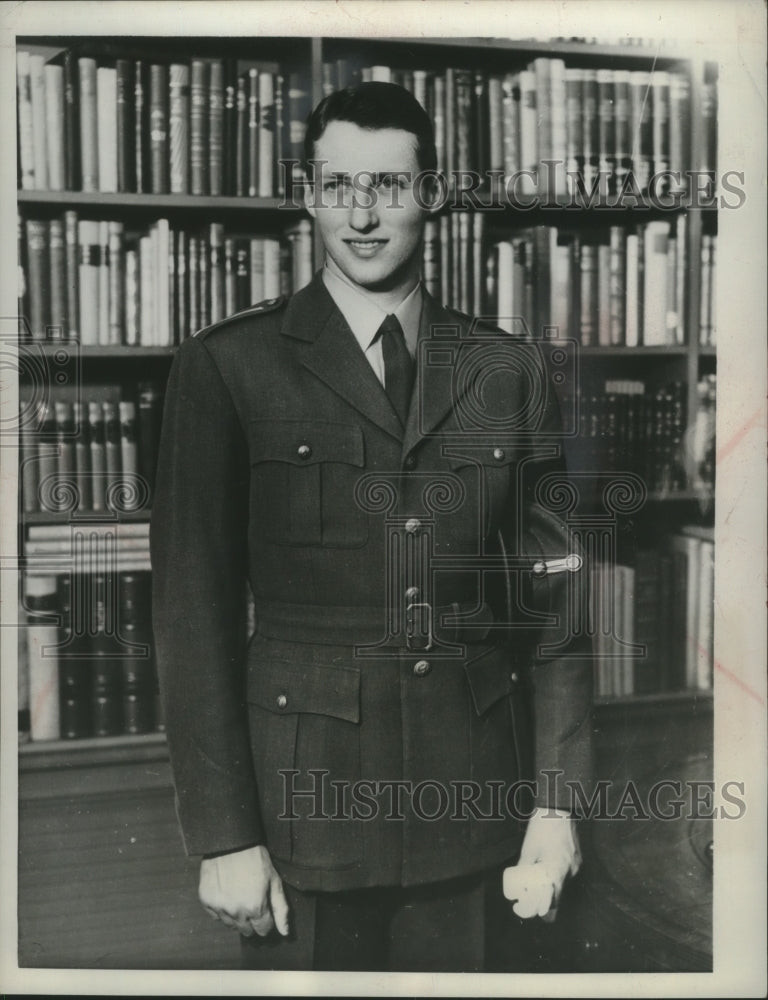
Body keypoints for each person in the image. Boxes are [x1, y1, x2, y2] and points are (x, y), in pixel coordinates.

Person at [151, 82, 593, 973]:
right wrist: (223, 834)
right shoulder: (227, 367)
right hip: (302, 820)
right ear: (308, 194)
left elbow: (556, 608)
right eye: (338, 184)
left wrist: (558, 800)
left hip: (476, 814)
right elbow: (190, 619)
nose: (361, 214)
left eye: (388, 186)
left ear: (430, 196)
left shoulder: (507, 372)